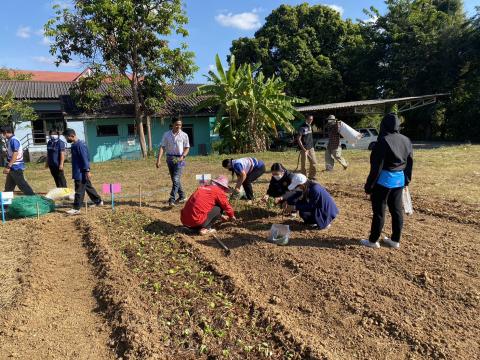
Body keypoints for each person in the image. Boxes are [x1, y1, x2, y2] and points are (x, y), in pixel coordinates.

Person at [361, 113, 413, 249]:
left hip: (383, 181)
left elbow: (376, 168)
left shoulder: (383, 141)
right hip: (399, 180)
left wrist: (369, 186)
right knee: (397, 211)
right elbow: (410, 162)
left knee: (379, 211)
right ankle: (395, 240)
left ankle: (373, 241)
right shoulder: (406, 140)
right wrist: (406, 180)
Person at [63, 128, 103, 215]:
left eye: (67, 137)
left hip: (81, 172)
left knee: (79, 190)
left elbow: (85, 159)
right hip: (79, 171)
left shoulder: (80, 145)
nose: (66, 139)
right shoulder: (75, 145)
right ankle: (98, 201)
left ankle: (76, 208)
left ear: (72, 136)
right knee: (88, 187)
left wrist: (87, 170)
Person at [156, 117, 190, 207]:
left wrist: (183, 156)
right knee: (175, 179)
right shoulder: (166, 135)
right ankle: (182, 196)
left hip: (180, 159)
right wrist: (158, 160)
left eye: (180, 125)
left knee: (175, 179)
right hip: (169, 158)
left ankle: (172, 200)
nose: (178, 126)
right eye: (176, 124)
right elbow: (162, 147)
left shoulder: (184, 135)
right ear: (172, 124)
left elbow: (187, 147)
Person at [1, 125, 35, 195]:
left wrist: (8, 167)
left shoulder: (14, 140)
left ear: (5, 132)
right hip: (12, 167)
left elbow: (15, 154)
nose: (1, 135)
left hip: (16, 167)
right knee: (8, 187)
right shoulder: (10, 140)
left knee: (23, 185)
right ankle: (6, 204)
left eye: (1, 133)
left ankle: (34, 199)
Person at [296, 115, 318, 180]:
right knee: (304, 164)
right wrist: (303, 148)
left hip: (311, 147)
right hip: (304, 149)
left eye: (312, 119)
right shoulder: (302, 127)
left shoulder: (310, 126)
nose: (311, 121)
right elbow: (298, 139)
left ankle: (312, 176)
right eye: (309, 119)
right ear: (306, 119)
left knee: (313, 162)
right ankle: (304, 177)